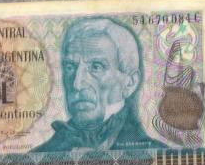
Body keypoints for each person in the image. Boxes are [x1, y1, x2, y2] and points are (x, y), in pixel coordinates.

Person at [34, 17, 164, 153]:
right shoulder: (38, 155)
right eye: (70, 67)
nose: (77, 84)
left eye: (96, 67)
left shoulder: (160, 153)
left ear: (130, 83)